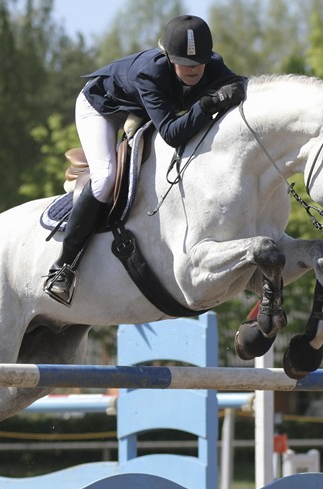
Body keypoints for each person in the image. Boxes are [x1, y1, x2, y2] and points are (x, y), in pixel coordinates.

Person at [44, 15, 246, 305]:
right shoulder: (150, 74)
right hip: (100, 108)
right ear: (168, 56)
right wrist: (209, 102)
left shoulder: (212, 64)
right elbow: (173, 134)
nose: (193, 70)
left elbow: (239, 84)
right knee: (105, 179)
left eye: (199, 62)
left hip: (139, 107)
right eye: (185, 64)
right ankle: (63, 266)